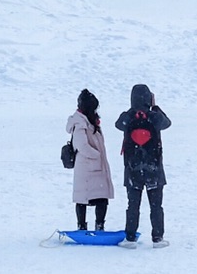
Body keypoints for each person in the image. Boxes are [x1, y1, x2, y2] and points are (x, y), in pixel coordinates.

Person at [113, 83, 171, 248]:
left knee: (133, 205)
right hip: (154, 169)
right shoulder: (155, 117)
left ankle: (130, 237)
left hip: (133, 170)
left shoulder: (128, 117)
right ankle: (158, 238)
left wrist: (133, 110)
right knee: (156, 206)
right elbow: (167, 123)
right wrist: (154, 107)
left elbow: (118, 124)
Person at [66, 88, 114, 233]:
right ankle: (83, 227)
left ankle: (98, 226)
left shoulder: (88, 120)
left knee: (99, 197)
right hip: (87, 167)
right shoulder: (80, 123)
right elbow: (81, 145)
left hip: (93, 167)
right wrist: (96, 155)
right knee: (85, 197)